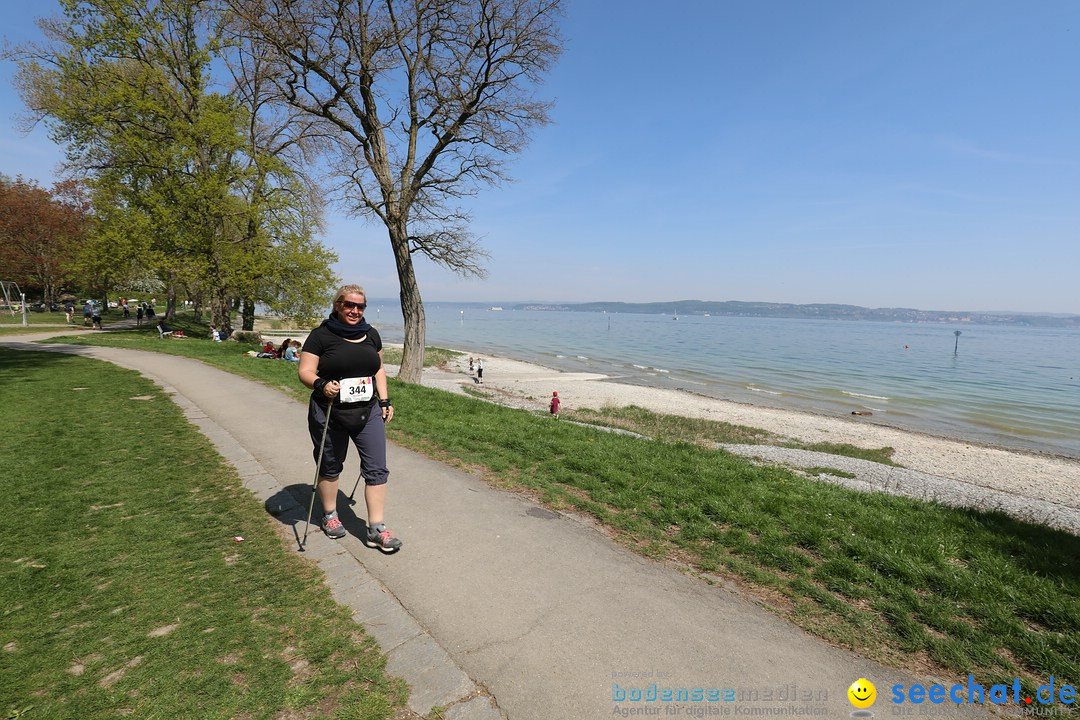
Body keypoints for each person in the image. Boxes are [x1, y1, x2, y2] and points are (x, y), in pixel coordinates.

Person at [298, 284, 401, 550]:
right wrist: (321, 384)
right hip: (330, 411)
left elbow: (378, 370)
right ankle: (330, 515)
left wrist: (385, 399)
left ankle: (376, 528)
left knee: (377, 468)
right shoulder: (321, 335)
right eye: (349, 305)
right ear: (338, 305)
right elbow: (305, 370)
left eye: (360, 306)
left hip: (368, 411)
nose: (355, 310)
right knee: (330, 465)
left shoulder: (370, 334)